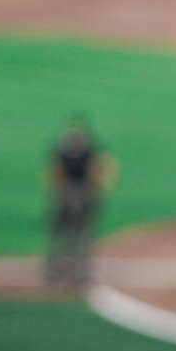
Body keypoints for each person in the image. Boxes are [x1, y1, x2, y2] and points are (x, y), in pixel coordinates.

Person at [44, 117, 115, 290]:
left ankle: (60, 271)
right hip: (80, 193)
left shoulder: (62, 151)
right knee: (77, 234)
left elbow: (55, 173)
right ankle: (73, 271)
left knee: (68, 234)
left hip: (69, 193)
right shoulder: (89, 152)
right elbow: (97, 173)